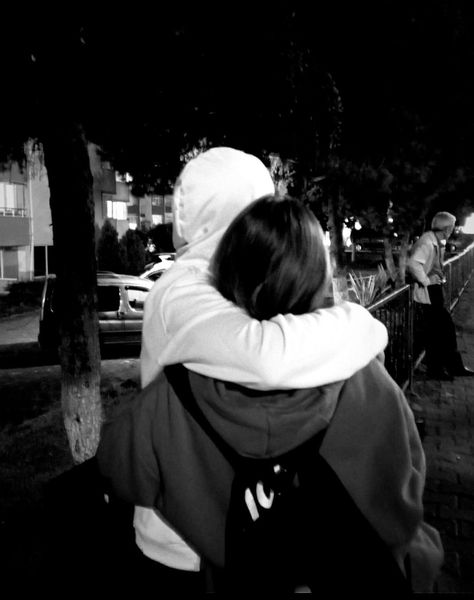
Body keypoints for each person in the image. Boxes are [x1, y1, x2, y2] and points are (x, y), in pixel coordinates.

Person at [98, 193, 443, 593]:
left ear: (227, 279)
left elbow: (120, 472)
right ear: (319, 279)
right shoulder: (370, 384)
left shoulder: (173, 393)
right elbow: (405, 498)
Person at [129, 147, 388, 590]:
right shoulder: (181, 290)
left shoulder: (233, 272)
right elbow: (269, 358)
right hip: (182, 542)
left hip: (236, 524)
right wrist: (361, 324)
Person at [407, 211, 474, 380]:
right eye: (451, 226)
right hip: (429, 291)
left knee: (441, 330)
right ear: (446, 228)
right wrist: (426, 281)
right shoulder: (427, 242)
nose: (452, 230)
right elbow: (414, 263)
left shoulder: (434, 241)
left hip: (433, 290)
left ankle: (447, 367)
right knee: (441, 331)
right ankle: (441, 369)